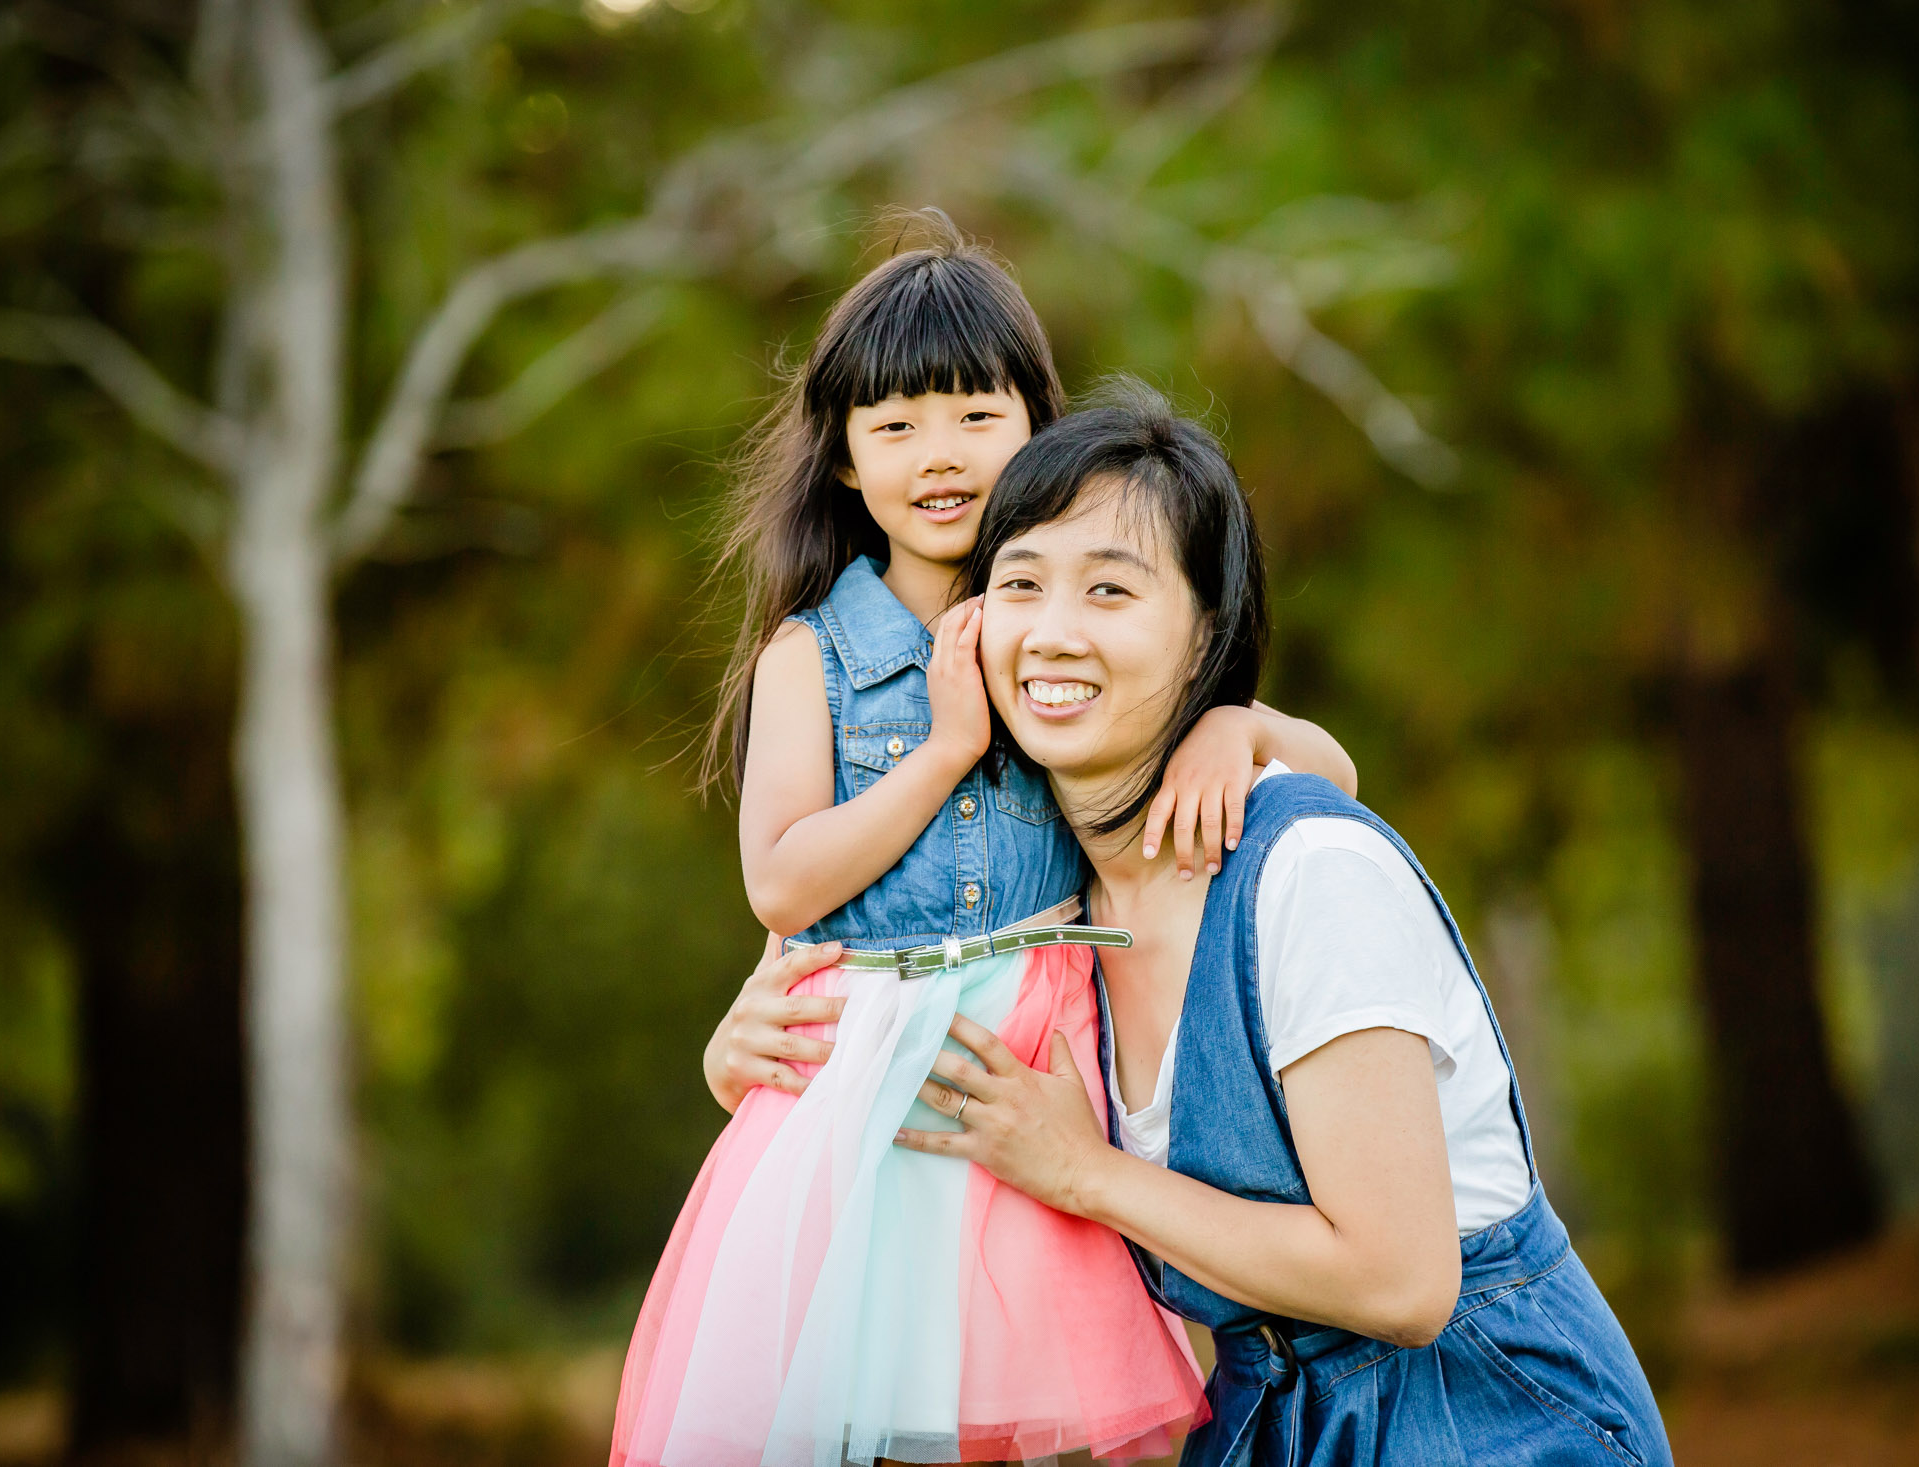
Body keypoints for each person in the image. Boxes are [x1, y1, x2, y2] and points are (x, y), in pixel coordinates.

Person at [612, 224, 1357, 1467]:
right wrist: (945, 748)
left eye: (973, 414)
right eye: (894, 426)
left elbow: (1332, 780)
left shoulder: (1061, 631)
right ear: (843, 459)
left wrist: (1236, 720)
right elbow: (780, 880)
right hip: (867, 1082)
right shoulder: (815, 654)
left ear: (1035, 425)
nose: (938, 456)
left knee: (1057, 1416)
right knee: (873, 1404)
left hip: (1050, 1062)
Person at [871, 384, 1673, 1464]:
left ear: (1207, 636)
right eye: (1020, 584)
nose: (1052, 634)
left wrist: (1084, 1172)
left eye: (1111, 591)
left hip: (1488, 1418)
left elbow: (1401, 1283)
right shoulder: (1052, 908)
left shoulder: (1306, 872)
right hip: (1267, 1425)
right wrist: (747, 1050)